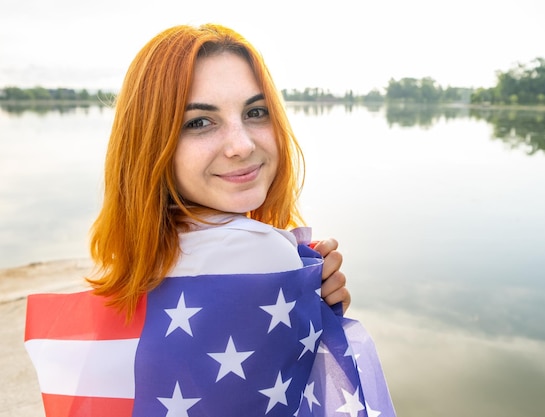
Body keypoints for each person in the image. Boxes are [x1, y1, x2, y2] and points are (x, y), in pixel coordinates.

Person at [25, 23, 395, 417]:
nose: (242, 145)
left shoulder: (138, 248)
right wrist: (314, 312)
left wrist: (310, 299)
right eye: (200, 122)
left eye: (255, 112)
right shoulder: (261, 253)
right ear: (152, 141)